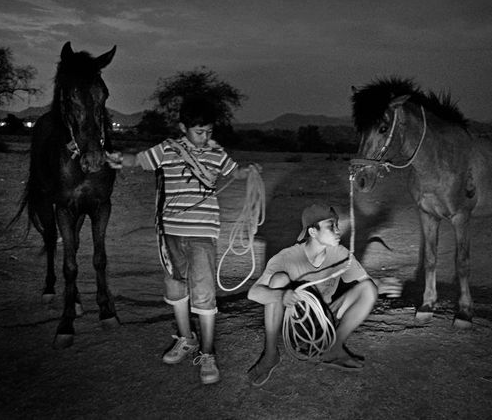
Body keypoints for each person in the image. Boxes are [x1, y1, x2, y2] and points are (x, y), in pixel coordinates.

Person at [106, 95, 259, 385]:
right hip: (171, 234)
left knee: (203, 294)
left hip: (202, 235)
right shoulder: (167, 149)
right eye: (199, 131)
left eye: (209, 132)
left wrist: (248, 171)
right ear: (183, 127)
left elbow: (234, 171)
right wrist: (118, 160)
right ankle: (186, 338)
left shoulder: (217, 154)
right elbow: (138, 160)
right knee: (176, 289)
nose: (205, 137)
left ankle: (208, 353)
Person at [246, 203, 378, 387]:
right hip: (299, 322)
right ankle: (270, 355)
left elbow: (364, 282)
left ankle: (334, 347)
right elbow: (253, 293)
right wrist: (281, 296)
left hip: (326, 318)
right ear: (313, 232)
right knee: (278, 280)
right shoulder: (288, 257)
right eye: (331, 226)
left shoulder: (340, 253)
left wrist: (384, 284)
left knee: (369, 289)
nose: (338, 230)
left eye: (337, 225)